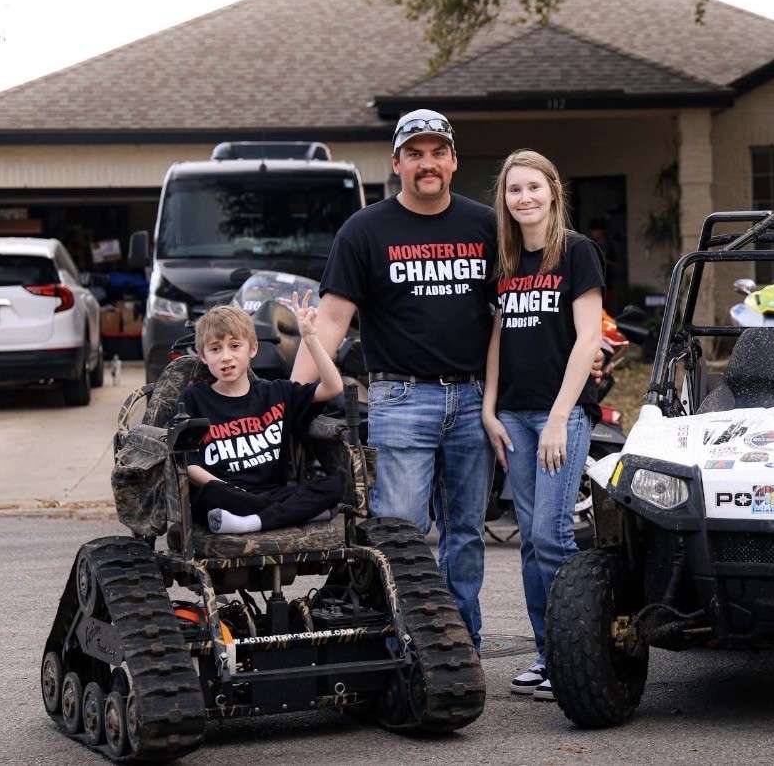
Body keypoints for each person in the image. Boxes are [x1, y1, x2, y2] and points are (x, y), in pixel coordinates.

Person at [291, 109, 495, 646]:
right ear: (397, 163)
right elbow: (331, 320)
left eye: (437, 153)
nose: (427, 164)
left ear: (453, 161)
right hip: (401, 399)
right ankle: (404, 648)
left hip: (474, 398)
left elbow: (518, 310)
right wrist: (290, 401)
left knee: (466, 533)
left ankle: (461, 645)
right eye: (415, 154)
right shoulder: (365, 230)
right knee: (400, 533)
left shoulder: (486, 226)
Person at [482, 150, 603, 702]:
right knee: (531, 541)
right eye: (514, 189)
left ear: (553, 190)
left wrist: (558, 417)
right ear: (504, 199)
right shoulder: (505, 259)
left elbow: (589, 339)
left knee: (553, 536)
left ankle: (578, 656)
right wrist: (489, 409)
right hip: (513, 415)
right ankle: (546, 653)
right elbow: (497, 336)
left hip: (561, 416)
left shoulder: (576, 252)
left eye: (534, 187)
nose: (524, 197)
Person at [180, 297, 345, 534]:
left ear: (253, 349)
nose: (225, 357)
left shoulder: (276, 392)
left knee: (335, 485)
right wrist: (229, 490)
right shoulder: (194, 398)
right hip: (225, 494)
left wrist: (310, 338)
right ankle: (297, 513)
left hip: (272, 492)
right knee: (210, 493)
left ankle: (250, 523)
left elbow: (333, 387)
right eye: (215, 349)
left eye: (234, 346)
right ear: (203, 356)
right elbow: (188, 462)